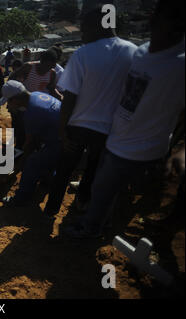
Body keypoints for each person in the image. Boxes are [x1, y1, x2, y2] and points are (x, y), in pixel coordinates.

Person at [64, 0, 185, 238]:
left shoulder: (180, 64)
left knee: (110, 192)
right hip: (114, 136)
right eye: (171, 20)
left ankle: (92, 231)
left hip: (143, 148)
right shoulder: (139, 52)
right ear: (153, 19)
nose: (174, 29)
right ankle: (99, 225)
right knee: (101, 187)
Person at [42, 7, 138, 218]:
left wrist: (62, 131)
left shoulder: (83, 53)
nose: (82, 34)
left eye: (85, 29)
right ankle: (81, 205)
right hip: (109, 130)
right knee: (92, 171)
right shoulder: (133, 52)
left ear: (99, 26)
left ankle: (51, 210)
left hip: (79, 126)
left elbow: (69, 97)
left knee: (65, 170)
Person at [0, 81, 62, 207]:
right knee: (43, 158)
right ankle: (48, 179)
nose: (8, 106)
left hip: (60, 142)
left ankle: (21, 197)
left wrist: (17, 169)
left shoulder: (32, 113)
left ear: (16, 99)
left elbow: (30, 144)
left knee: (32, 163)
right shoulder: (36, 95)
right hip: (62, 135)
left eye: (9, 102)